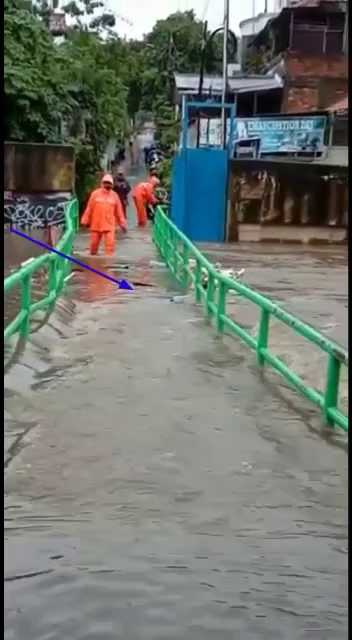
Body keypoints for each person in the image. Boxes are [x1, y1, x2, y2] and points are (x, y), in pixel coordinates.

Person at [81, 174, 127, 256]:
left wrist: (123, 224)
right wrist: (85, 220)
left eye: (109, 183)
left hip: (109, 225)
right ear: (102, 183)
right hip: (96, 224)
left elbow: (119, 212)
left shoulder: (114, 196)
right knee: (93, 246)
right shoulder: (95, 194)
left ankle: (108, 263)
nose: (107, 185)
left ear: (112, 184)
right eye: (106, 183)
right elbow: (89, 208)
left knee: (110, 246)